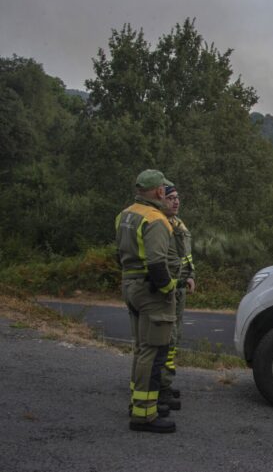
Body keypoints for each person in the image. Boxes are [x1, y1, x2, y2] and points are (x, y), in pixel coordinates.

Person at [115, 169, 178, 433]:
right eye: (165, 190)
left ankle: (138, 404)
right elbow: (156, 263)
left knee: (142, 349)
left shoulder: (124, 215)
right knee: (153, 352)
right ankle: (144, 416)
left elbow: (118, 255)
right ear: (159, 191)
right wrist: (169, 287)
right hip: (150, 292)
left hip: (130, 284)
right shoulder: (156, 220)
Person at [159, 184, 196, 408]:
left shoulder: (179, 224)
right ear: (161, 200)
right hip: (168, 287)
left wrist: (192, 275)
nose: (176, 201)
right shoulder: (159, 225)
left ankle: (166, 382)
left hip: (180, 288)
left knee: (175, 338)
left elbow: (187, 257)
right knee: (166, 337)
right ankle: (160, 385)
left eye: (177, 197)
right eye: (171, 198)